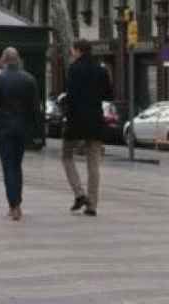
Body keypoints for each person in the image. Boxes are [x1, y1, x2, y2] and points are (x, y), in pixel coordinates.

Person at [0, 47, 42, 222]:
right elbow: (36, 109)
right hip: (22, 129)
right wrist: (39, 133)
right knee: (17, 165)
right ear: (18, 59)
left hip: (4, 129)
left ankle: (14, 206)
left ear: (4, 60)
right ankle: (17, 203)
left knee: (8, 167)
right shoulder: (29, 79)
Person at [62, 39, 113, 217]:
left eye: (73, 51)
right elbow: (108, 94)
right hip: (95, 121)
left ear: (78, 51)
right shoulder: (101, 70)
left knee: (66, 156)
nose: (72, 54)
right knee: (93, 164)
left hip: (76, 121)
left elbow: (70, 96)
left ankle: (79, 193)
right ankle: (92, 205)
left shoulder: (73, 69)